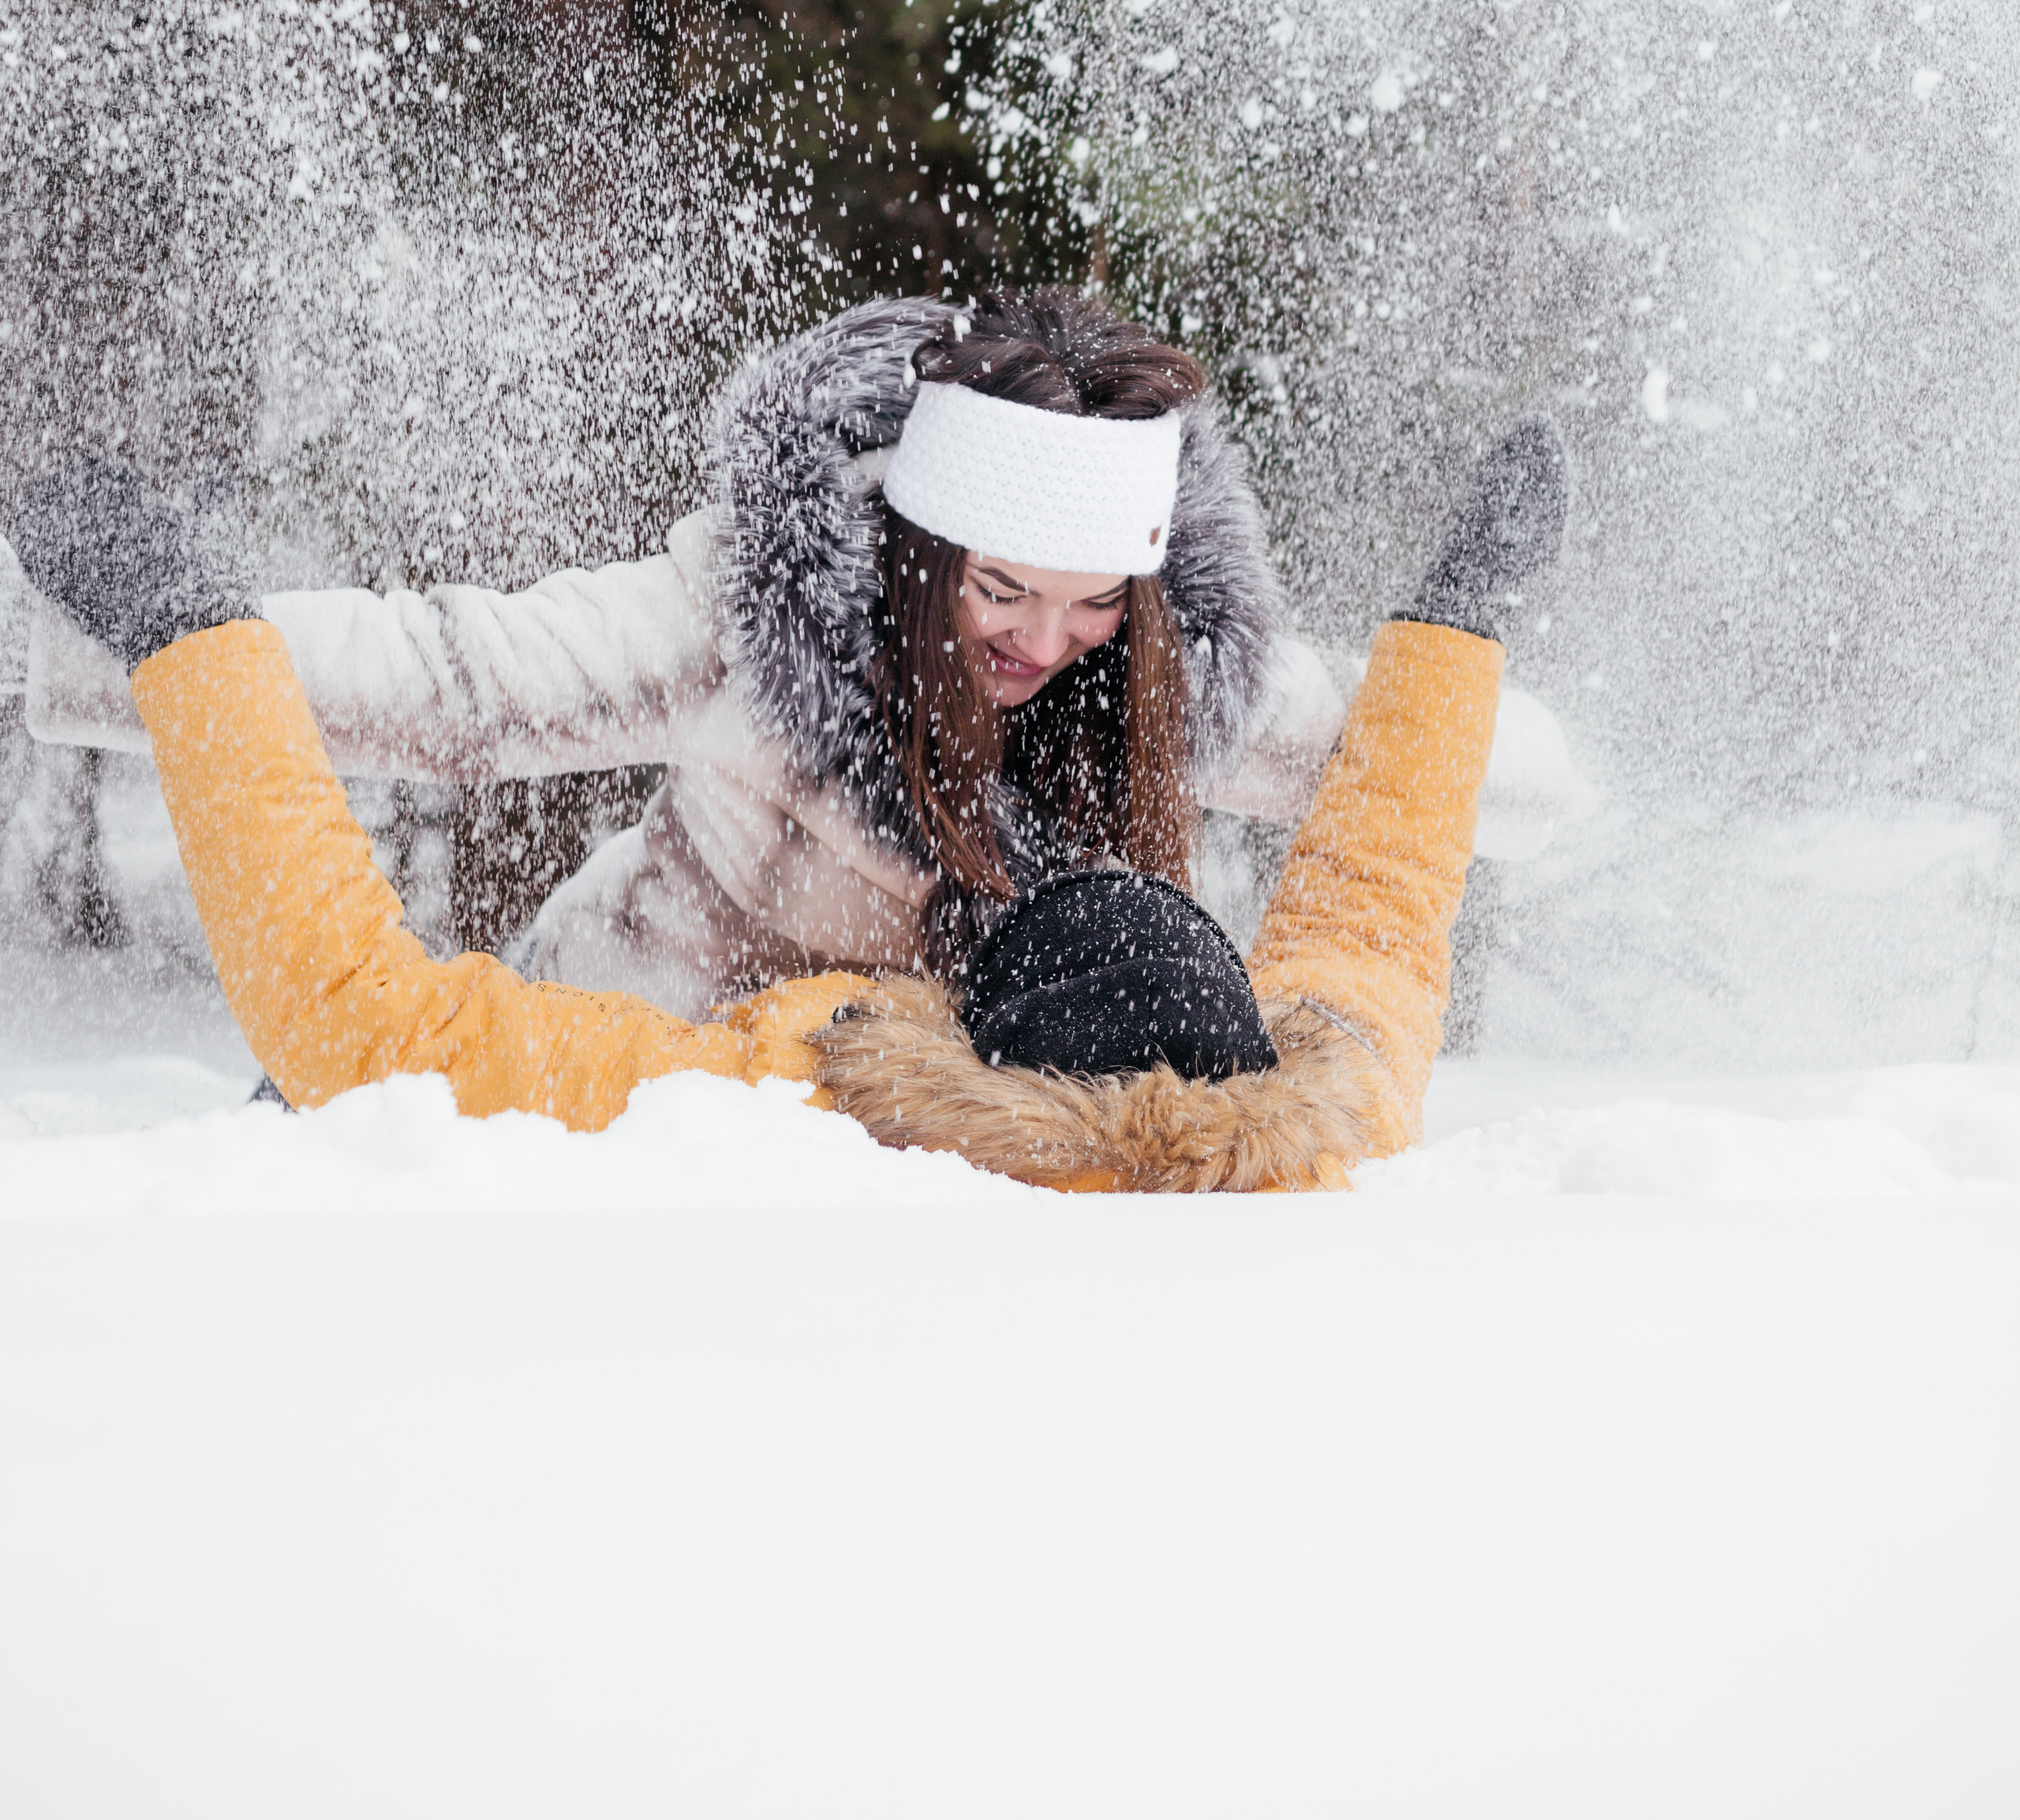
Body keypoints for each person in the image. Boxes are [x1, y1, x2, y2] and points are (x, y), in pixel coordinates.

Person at [6, 315, 1569, 1192]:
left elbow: (354, 1019)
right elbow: (456, 679)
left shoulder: (1158, 693)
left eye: (1096, 605)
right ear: (916, 550)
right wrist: (1463, 635)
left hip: (835, 1101)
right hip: (641, 1029)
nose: (1041, 642)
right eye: (1000, 593)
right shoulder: (752, 625)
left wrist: (182, 633)